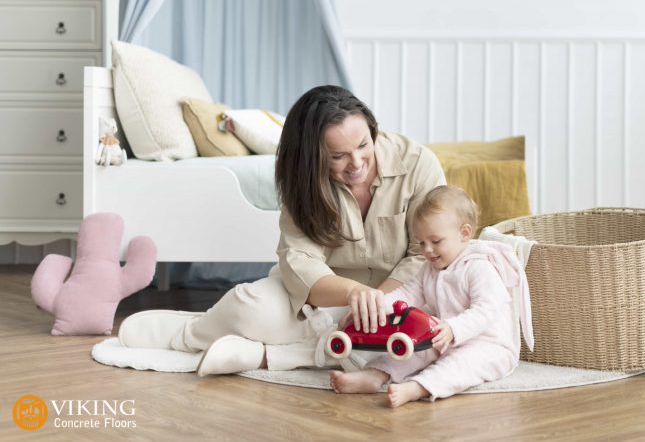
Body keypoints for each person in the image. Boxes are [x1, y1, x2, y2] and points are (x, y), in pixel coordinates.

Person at [117, 85, 446, 375]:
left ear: (372, 130)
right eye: (338, 156)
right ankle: (190, 334)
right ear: (314, 156)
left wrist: (380, 304)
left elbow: (425, 254)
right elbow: (300, 261)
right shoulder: (303, 181)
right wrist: (353, 295)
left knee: (430, 336)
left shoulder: (418, 163)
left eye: (363, 145)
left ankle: (268, 356)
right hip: (326, 299)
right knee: (250, 305)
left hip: (401, 299)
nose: (357, 163)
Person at [329, 185, 533, 407]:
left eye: (435, 241)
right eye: (422, 242)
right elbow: (406, 295)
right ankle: (375, 375)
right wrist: (375, 307)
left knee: (460, 364)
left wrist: (454, 328)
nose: (427, 250)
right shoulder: (430, 268)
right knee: (412, 348)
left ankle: (417, 387)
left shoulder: (479, 267)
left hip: (489, 345)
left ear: (464, 233)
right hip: (445, 335)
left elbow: (488, 308)